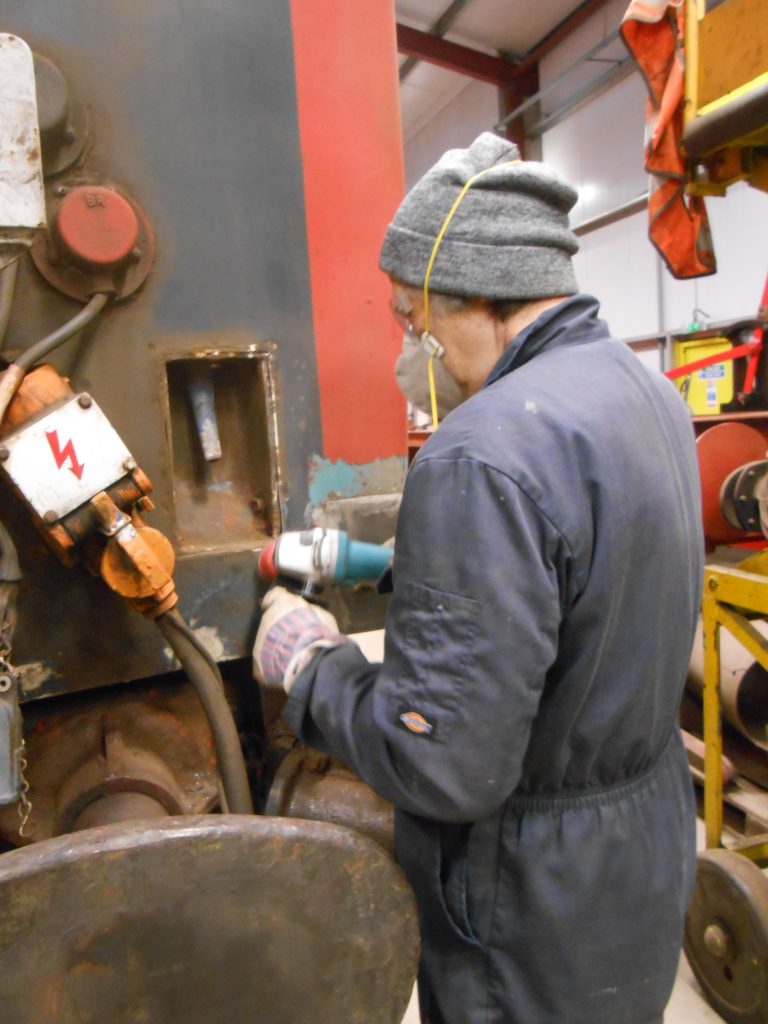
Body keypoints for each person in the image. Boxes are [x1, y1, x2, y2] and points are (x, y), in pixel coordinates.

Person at [253, 132, 703, 1024]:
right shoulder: (646, 393)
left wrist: (314, 671)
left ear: (474, 296)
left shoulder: (481, 450)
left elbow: (445, 764)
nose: (414, 347)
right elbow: (587, 582)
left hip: (529, 898)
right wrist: (406, 569)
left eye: (411, 319)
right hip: (639, 854)